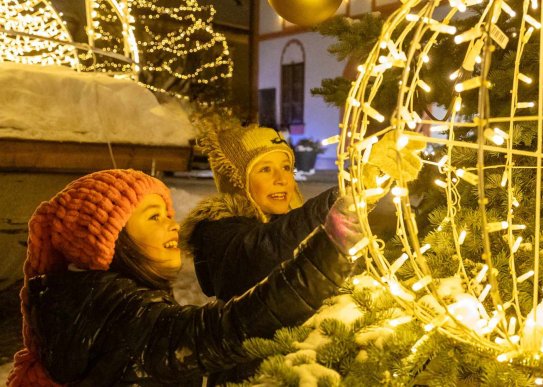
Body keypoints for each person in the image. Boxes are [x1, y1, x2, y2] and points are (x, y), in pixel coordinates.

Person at [8, 169, 362, 386]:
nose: (172, 224)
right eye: (153, 217)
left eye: (168, 213)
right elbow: (223, 331)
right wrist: (332, 245)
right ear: (109, 241)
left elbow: (189, 365)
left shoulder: (91, 302)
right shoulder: (122, 316)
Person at [180, 124, 425, 302]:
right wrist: (351, 190)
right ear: (236, 180)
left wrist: (367, 188)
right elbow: (268, 249)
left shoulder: (288, 222)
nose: (282, 179)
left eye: (286, 167)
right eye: (265, 169)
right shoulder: (219, 231)